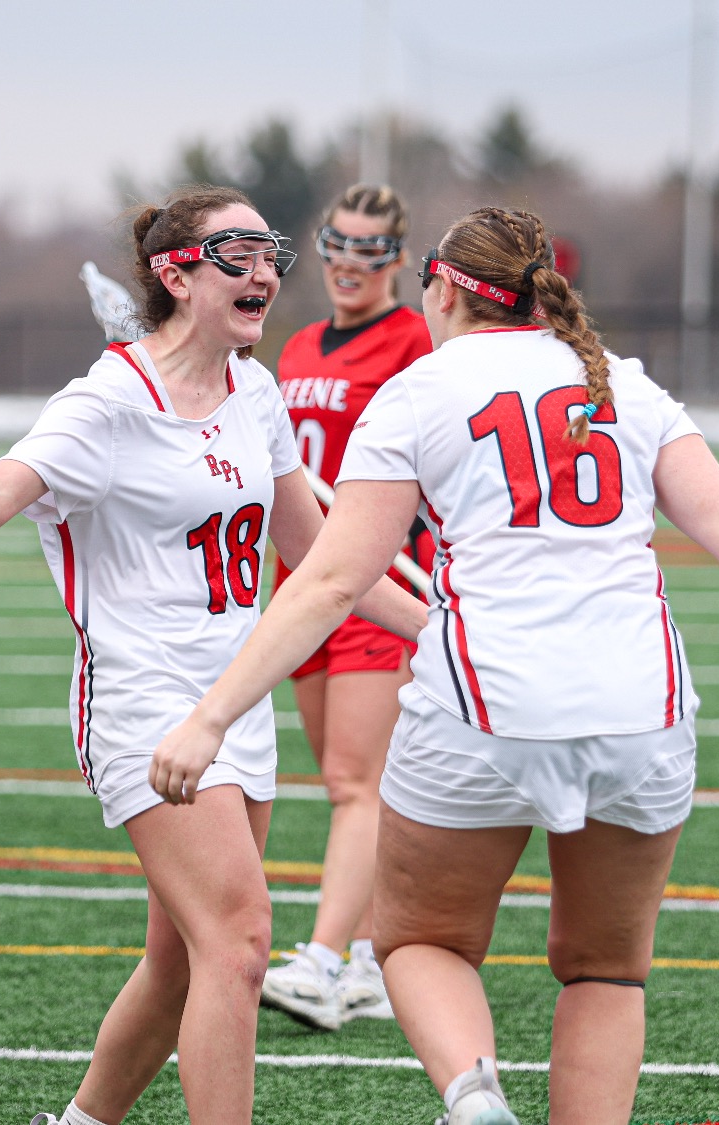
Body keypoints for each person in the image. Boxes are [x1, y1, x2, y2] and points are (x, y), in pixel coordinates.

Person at [150, 206, 719, 1125]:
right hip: (642, 712)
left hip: (481, 709)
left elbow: (331, 579)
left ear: (448, 286)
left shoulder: (420, 390)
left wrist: (211, 715)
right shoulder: (623, 382)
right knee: (607, 970)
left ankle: (472, 1097)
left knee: (423, 942)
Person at [0, 185, 425, 1125]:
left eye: (269, 254)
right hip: (141, 702)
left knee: (182, 959)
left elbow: (322, 549)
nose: (264, 272)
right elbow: (9, 480)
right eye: (236, 255)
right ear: (176, 274)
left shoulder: (254, 391)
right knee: (243, 940)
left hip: (234, 698)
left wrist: (442, 630)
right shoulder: (109, 399)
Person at [261, 183, 435, 1032]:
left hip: (381, 581)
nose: (348, 264)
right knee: (347, 780)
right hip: (306, 583)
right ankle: (368, 957)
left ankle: (326, 962)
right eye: (336, 245)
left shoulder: (417, 341)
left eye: (369, 249)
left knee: (353, 780)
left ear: (398, 258)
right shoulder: (294, 348)